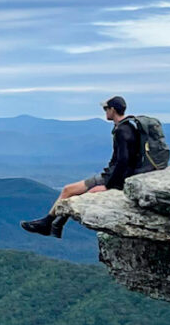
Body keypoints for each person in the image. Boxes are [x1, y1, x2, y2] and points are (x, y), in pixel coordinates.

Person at [21, 95, 148, 238]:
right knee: (68, 190)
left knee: (78, 196)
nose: (105, 111)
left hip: (113, 178)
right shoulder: (127, 127)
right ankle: (50, 223)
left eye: (106, 108)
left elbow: (124, 160)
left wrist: (110, 186)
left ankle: (52, 224)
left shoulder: (122, 130)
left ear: (113, 109)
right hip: (110, 175)